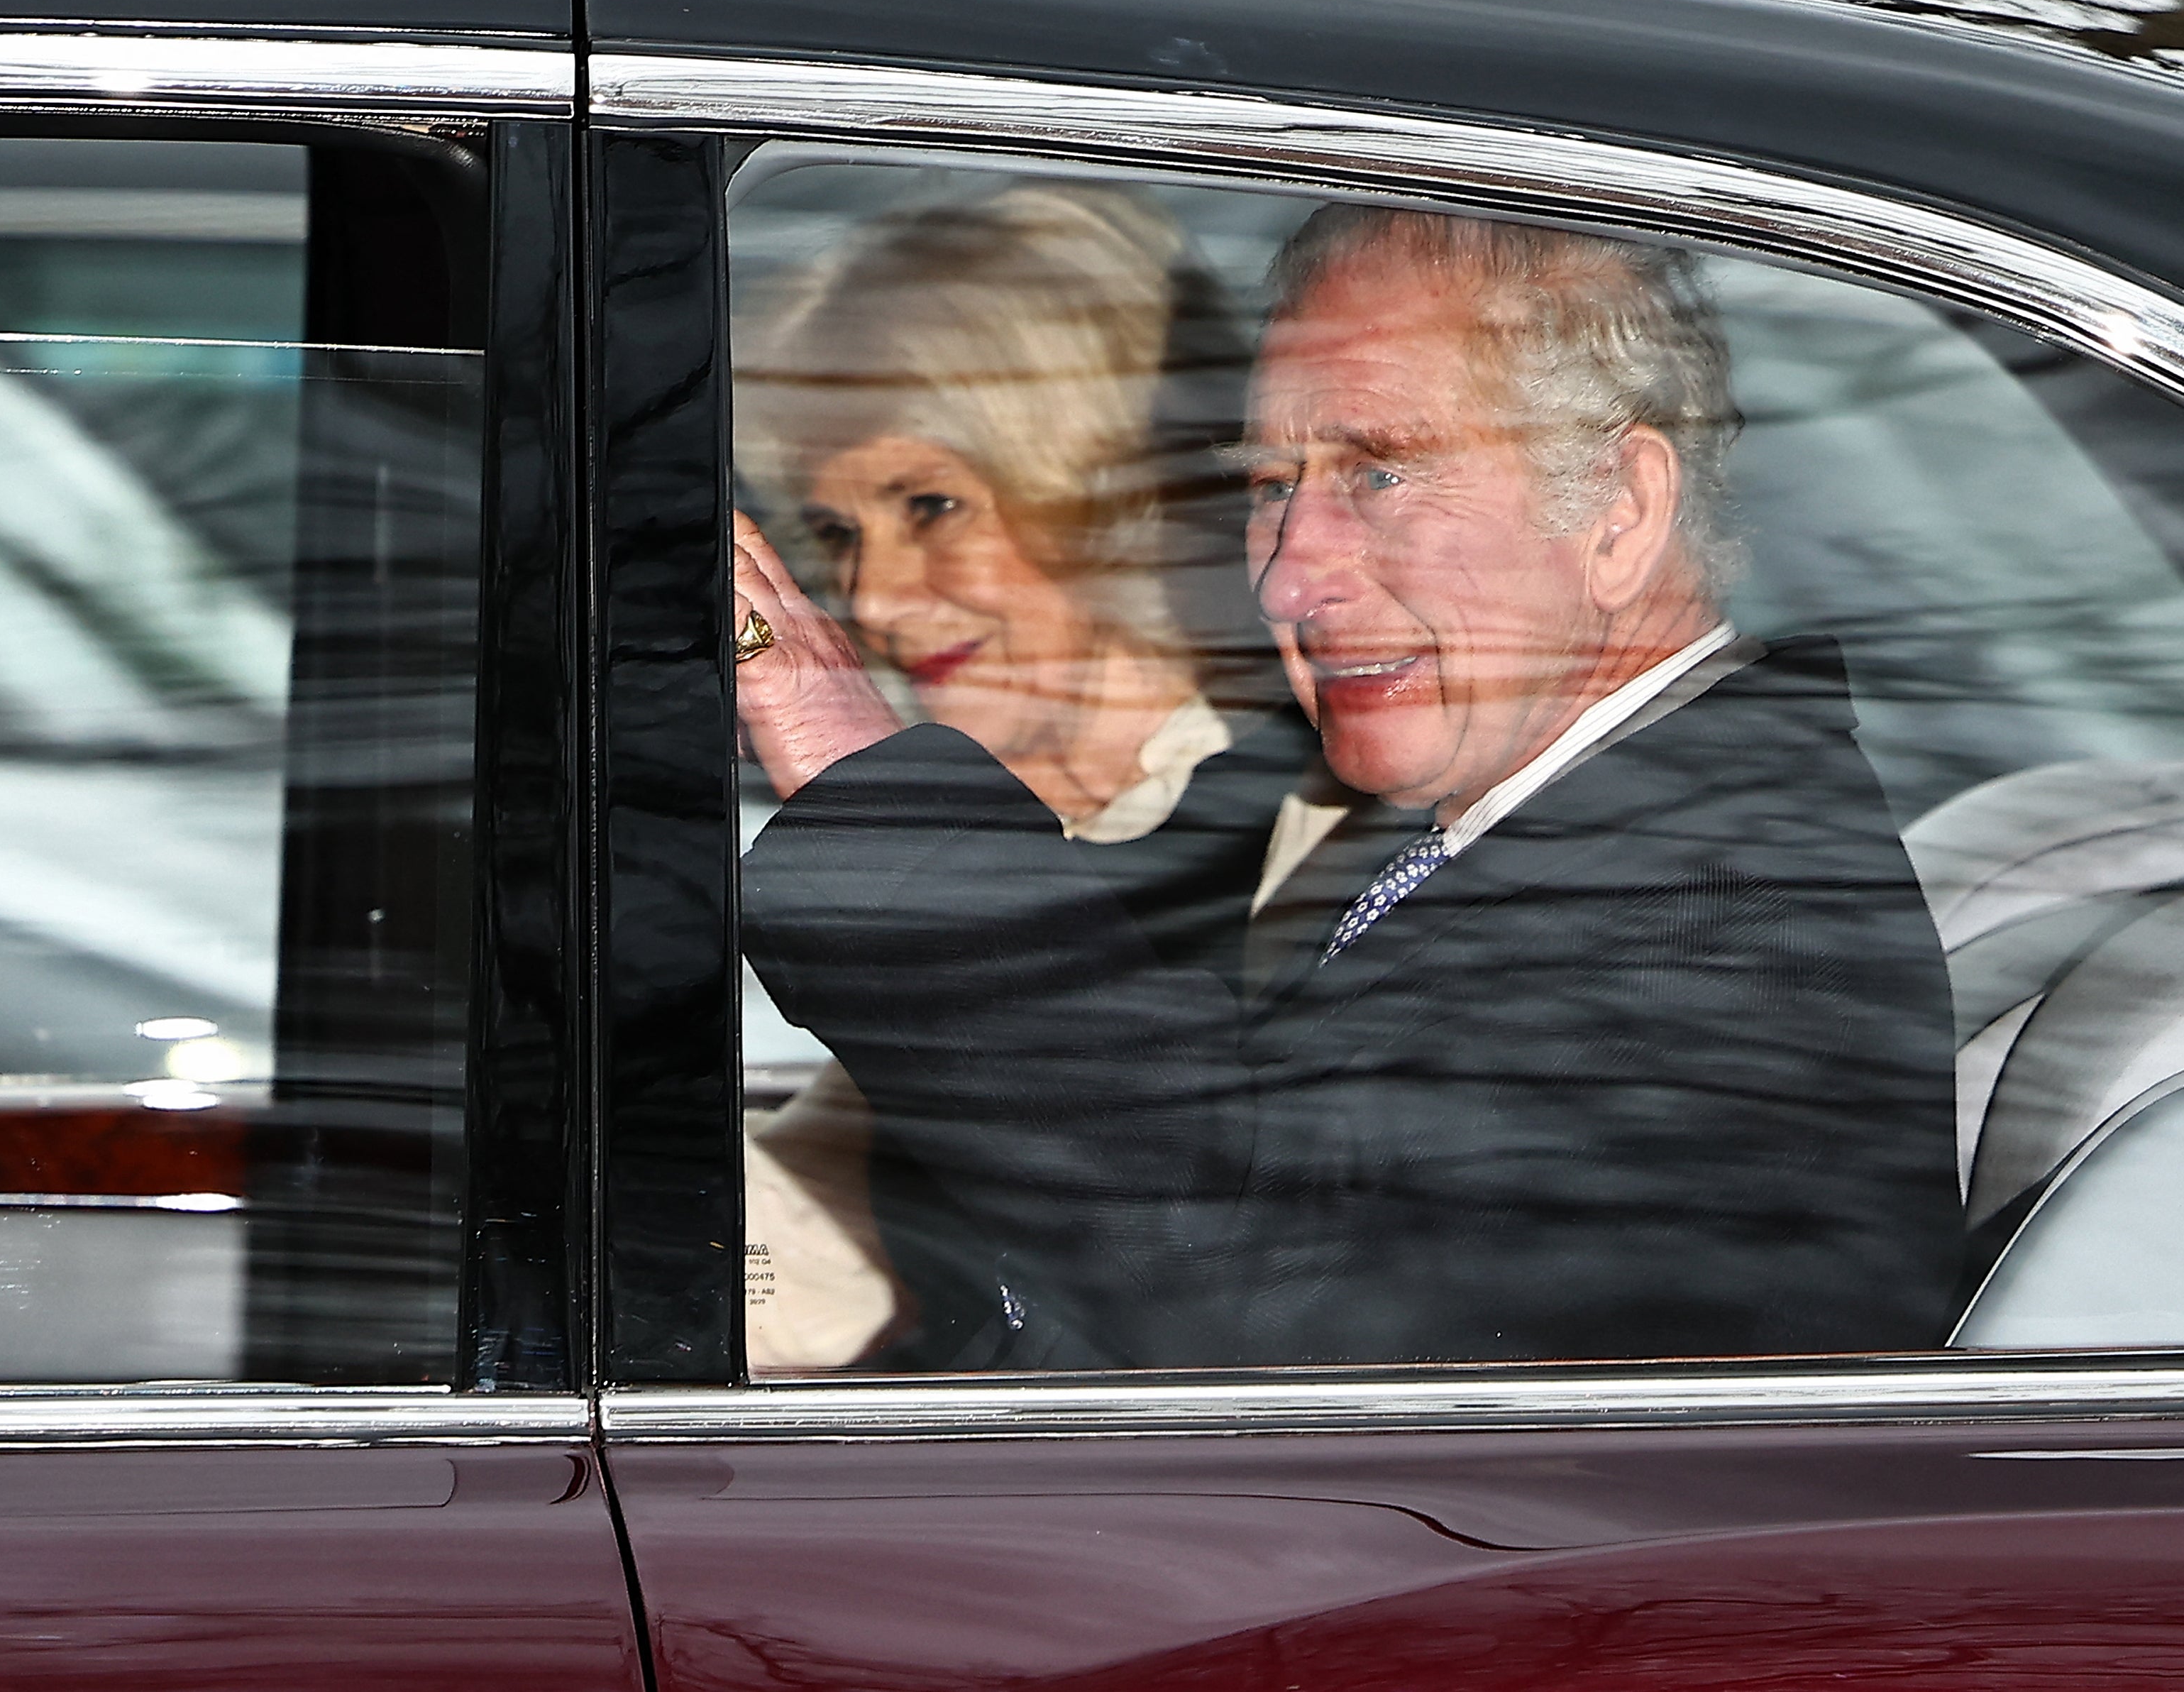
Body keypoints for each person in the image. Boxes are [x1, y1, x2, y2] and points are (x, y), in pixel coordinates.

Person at [734, 204, 1960, 1368]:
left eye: (1380, 473)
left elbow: (1257, 1296)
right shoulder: (1551, 843)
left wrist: (851, 768)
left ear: (1621, 514)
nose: (1283, 578)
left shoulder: (1720, 924)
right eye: (1275, 487)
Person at [731, 181, 1312, 1370]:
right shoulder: (1048, 828)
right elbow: (801, 1267)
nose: (876, 601)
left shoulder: (1313, 840)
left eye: (932, 505)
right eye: (837, 534)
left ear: (1107, 487)